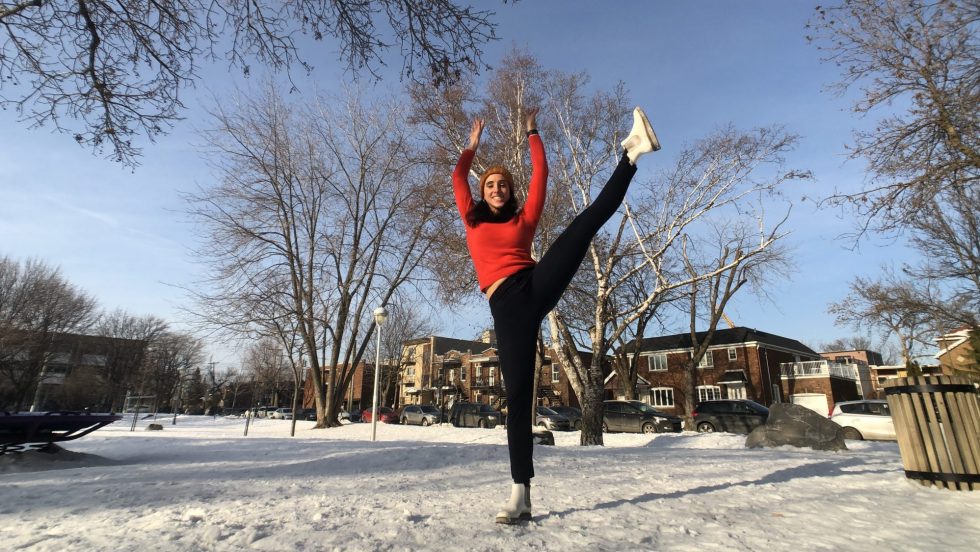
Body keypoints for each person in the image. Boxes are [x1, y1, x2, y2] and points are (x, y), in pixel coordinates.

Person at [452, 106, 660, 524]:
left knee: (583, 226)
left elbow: (542, 174)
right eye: (491, 185)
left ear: (510, 192)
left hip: (533, 286)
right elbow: (458, 179)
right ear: (483, 192)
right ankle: (520, 494)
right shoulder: (471, 219)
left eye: (503, 185)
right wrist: (471, 148)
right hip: (506, 311)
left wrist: (533, 133)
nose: (497, 189)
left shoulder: (524, 219)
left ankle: (632, 153)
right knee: (517, 399)